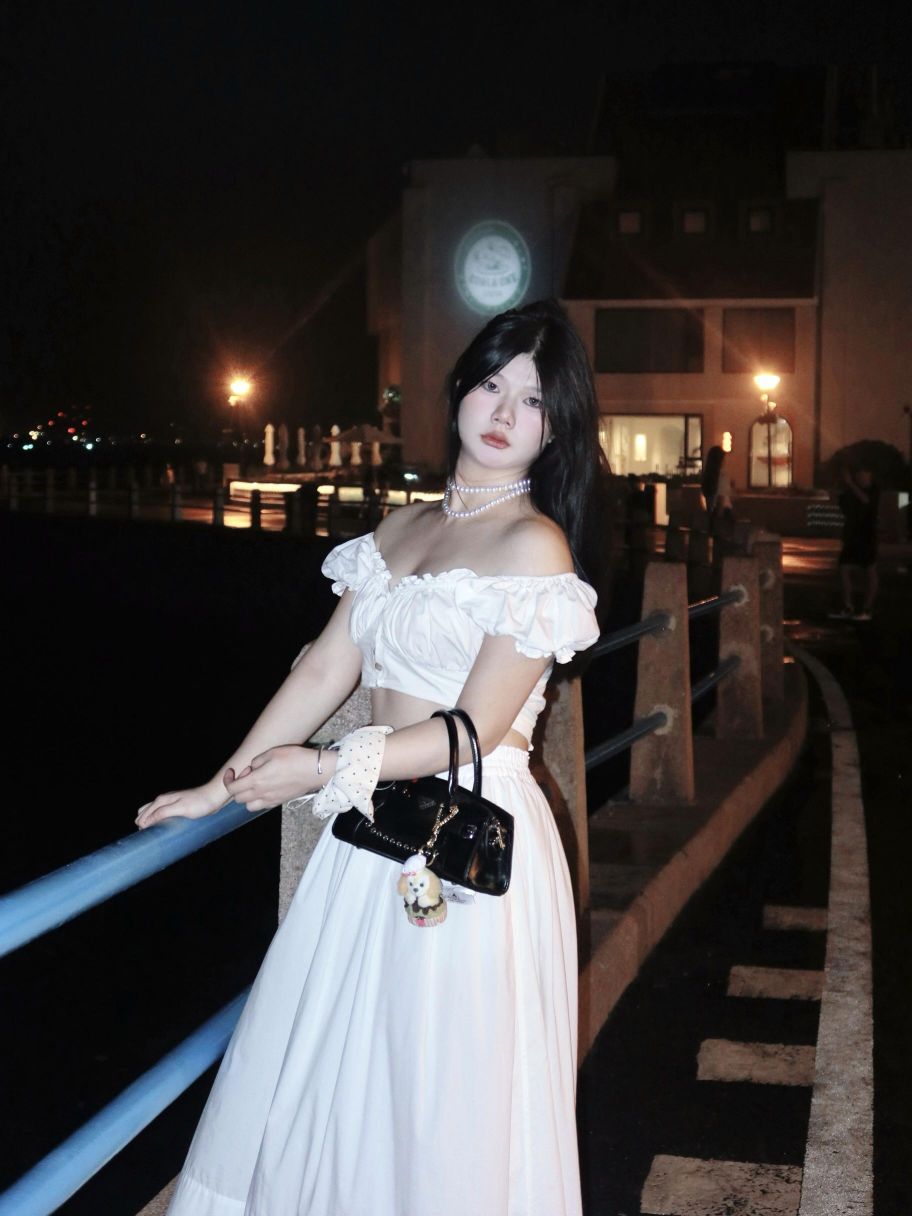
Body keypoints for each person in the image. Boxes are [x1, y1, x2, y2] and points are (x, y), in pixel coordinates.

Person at [135, 299, 603, 1216]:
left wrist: (319, 770)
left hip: (468, 845)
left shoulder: (535, 545)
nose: (505, 413)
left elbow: (474, 731)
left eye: (535, 401)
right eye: (493, 384)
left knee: (437, 1091)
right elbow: (322, 669)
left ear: (555, 430)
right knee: (334, 1071)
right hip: (376, 829)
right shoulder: (397, 529)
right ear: (460, 388)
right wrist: (220, 786)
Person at [829, 462, 880, 621]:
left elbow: (866, 501)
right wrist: (837, 486)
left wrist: (850, 484)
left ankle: (867, 609)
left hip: (867, 536)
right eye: (857, 474)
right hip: (851, 536)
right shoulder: (850, 491)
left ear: (869, 474)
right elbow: (839, 504)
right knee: (843, 568)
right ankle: (848, 607)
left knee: (870, 571)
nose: (860, 477)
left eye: (862, 473)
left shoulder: (874, 489)